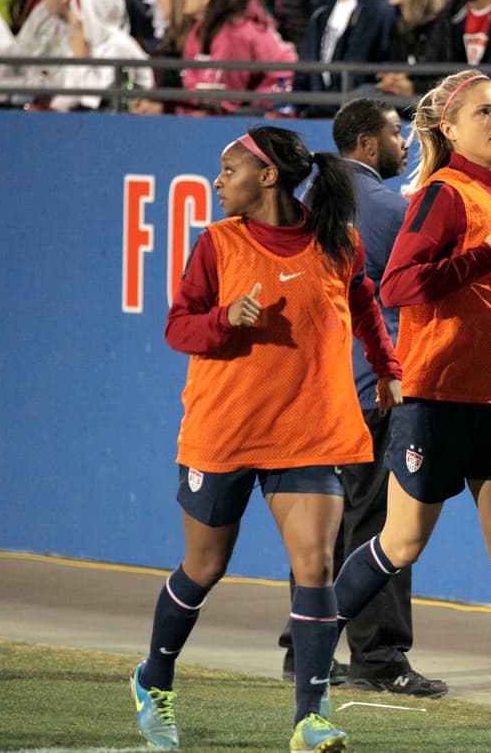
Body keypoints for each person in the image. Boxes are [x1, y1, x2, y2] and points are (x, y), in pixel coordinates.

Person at [130, 124, 402, 752]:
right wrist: (226, 318)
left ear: (268, 176)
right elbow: (178, 327)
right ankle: (153, 679)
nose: (218, 181)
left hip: (308, 430)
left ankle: (310, 717)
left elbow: (364, 305)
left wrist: (387, 367)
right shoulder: (218, 243)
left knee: (316, 567)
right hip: (224, 430)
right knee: (204, 568)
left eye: (229, 171)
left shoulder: (338, 242)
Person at [331, 68, 491, 751]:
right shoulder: (441, 194)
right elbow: (398, 285)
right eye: (484, 112)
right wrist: (477, 261)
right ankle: (312, 654)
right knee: (401, 543)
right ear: (451, 128)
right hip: (439, 398)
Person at [278, 98, 449, 700]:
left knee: (324, 521)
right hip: (372, 387)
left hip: (313, 388)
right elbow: (434, 284)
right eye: (397, 134)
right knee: (380, 522)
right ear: (369, 145)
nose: (404, 143)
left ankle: (304, 649)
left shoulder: (307, 203)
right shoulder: (388, 209)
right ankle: (378, 657)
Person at [133, 0, 296, 115]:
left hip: (276, 110)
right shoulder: (199, 30)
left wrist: (169, 110)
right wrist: (164, 105)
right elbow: (197, 90)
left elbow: (227, 102)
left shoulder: (235, 32)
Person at [48, 0, 152, 111]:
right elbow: (69, 96)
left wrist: (83, 61)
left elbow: (101, 102)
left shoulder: (120, 46)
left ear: (91, 10)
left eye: (78, 7)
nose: (73, 14)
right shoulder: (85, 43)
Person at [375, 0, 448, 99]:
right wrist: (392, 79)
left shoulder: (446, 27)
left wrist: (415, 88)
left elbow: (452, 81)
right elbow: (395, 66)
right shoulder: (399, 24)